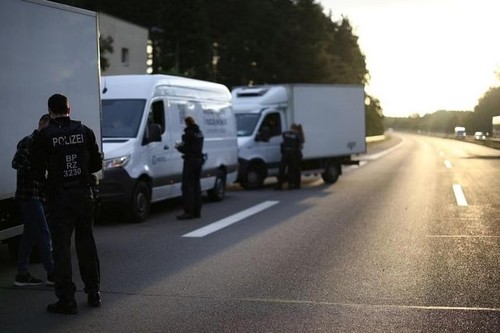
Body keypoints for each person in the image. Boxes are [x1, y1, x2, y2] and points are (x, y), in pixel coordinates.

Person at [31, 94, 103, 314]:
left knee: (61, 250)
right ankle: (93, 292)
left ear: (50, 111)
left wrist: (48, 183)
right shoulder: (85, 131)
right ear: (69, 109)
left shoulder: (44, 136)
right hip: (83, 196)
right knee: (86, 244)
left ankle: (67, 299)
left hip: (59, 198)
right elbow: (95, 164)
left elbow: (35, 171)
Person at [12, 114, 55, 287]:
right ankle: (52, 273)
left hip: (35, 195)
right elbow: (17, 162)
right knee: (44, 233)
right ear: (42, 124)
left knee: (29, 235)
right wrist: (35, 171)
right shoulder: (29, 141)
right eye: (49, 127)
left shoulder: (42, 143)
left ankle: (22, 274)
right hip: (29, 196)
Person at [175, 116, 204, 220]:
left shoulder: (189, 133)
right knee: (197, 186)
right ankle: (197, 211)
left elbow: (186, 148)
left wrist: (178, 147)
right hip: (199, 160)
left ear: (187, 123)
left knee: (187, 187)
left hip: (190, 161)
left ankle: (188, 212)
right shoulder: (199, 132)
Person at [275, 123, 303, 190]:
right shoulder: (297, 135)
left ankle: (279, 185)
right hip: (293, 154)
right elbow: (299, 145)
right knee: (291, 170)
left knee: (282, 169)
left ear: (291, 128)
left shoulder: (285, 133)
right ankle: (290, 185)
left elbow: (283, 139)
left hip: (285, 153)